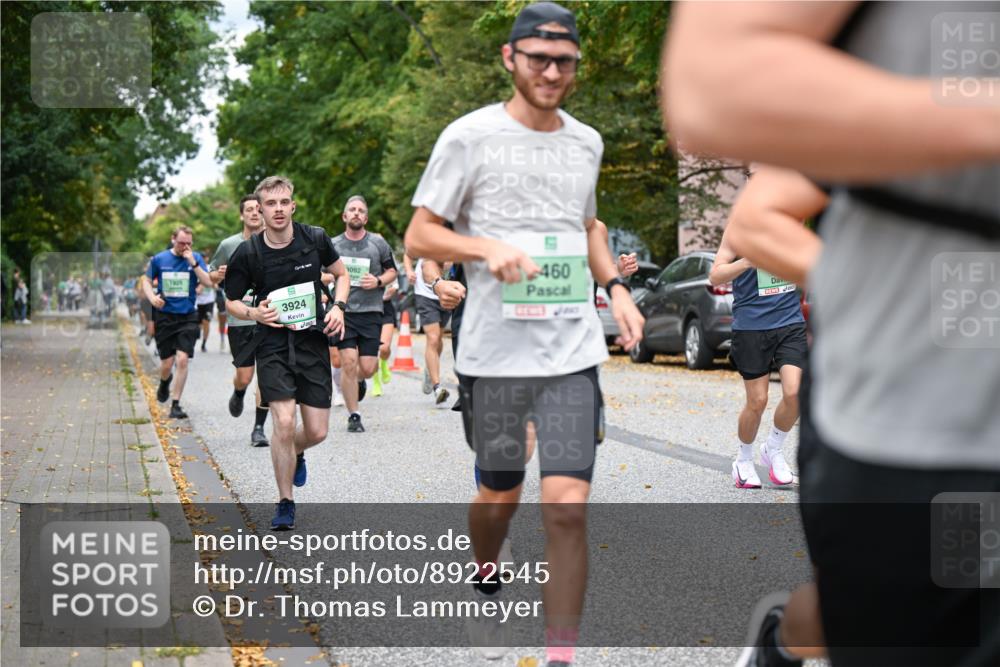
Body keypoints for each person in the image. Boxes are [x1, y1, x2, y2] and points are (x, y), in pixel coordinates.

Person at [664, 3, 1000, 666]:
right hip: (927, 423)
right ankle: (785, 632)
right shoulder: (892, 74)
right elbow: (712, 92)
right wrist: (836, 278)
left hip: (799, 328)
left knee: (786, 394)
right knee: (892, 604)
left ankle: (778, 461)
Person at [404, 4, 644, 665]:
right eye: (537, 57)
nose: (550, 71)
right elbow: (421, 234)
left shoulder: (586, 142)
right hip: (495, 354)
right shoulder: (468, 137)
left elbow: (589, 229)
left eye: (563, 60)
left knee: (566, 509)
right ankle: (485, 565)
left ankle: (559, 655)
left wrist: (617, 290)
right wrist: (485, 250)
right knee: (500, 493)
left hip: (570, 351)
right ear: (509, 58)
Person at [224, 176, 350, 530]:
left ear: (292, 205)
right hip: (273, 344)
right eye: (270, 204)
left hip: (312, 342)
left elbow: (340, 275)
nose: (278, 209)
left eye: (284, 203)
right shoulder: (248, 252)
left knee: (318, 430)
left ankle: (297, 451)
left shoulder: (315, 238)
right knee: (281, 421)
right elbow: (231, 300)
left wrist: (338, 307)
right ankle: (284, 502)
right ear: (259, 210)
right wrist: (253, 313)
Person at [708, 171, 826, 489]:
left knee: (795, 392)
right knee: (757, 402)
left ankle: (772, 449)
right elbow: (716, 276)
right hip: (751, 326)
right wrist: (748, 260)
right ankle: (743, 459)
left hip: (789, 321)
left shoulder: (792, 222)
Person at [328, 195, 398, 433]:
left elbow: (392, 272)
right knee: (348, 362)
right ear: (344, 216)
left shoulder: (378, 244)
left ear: (365, 218)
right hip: (343, 311)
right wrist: (334, 277)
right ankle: (354, 414)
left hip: (371, 311)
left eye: (361, 210)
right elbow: (320, 274)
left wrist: (378, 281)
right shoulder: (333, 245)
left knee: (367, 368)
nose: (356, 213)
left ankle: (355, 381)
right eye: (352, 210)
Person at [210, 194, 271, 447]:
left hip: (268, 320)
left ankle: (258, 428)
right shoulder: (229, 245)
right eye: (249, 210)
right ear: (241, 215)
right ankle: (239, 390)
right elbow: (211, 275)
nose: (255, 213)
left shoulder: (274, 242)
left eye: (258, 209)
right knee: (245, 376)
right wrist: (219, 274)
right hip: (240, 321)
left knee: (267, 376)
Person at [143, 225, 214, 419]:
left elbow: (208, 282)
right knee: (167, 364)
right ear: (173, 239)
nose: (185, 247)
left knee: (182, 359)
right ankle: (165, 382)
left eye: (189, 244)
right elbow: (146, 281)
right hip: (165, 316)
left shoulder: (195, 258)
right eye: (182, 243)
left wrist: (193, 263)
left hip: (188, 315)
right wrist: (151, 298)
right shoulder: (159, 259)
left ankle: (175, 404)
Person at [415, 257, 453, 404]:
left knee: (439, 340)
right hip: (425, 294)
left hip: (446, 293)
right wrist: (409, 270)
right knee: (433, 338)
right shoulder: (428, 236)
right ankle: (437, 388)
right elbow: (408, 255)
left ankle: (429, 371)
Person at [371, 274, 398, 398]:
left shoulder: (388, 267)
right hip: (368, 310)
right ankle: (376, 382)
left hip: (385, 308)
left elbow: (394, 286)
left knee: (384, 348)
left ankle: (383, 362)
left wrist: (389, 293)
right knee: (372, 352)